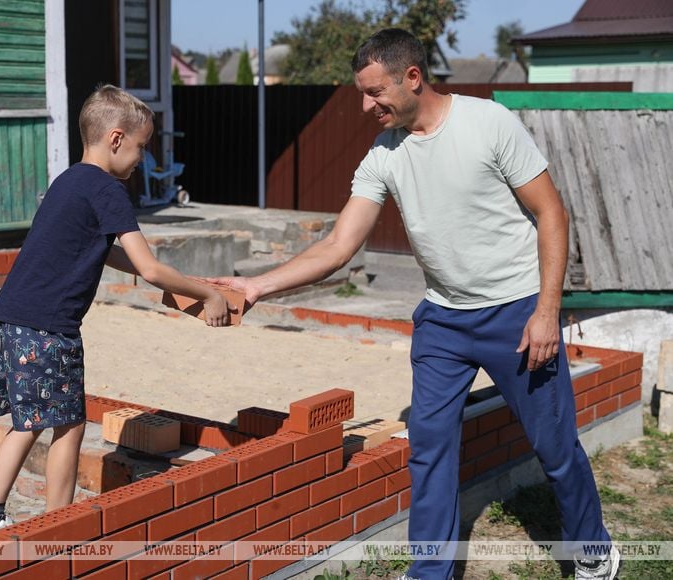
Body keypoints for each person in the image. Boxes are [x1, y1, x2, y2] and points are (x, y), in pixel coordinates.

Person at [211, 29, 618, 580]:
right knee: (429, 450)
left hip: (517, 313)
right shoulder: (384, 155)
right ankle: (430, 572)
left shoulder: (488, 123)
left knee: (555, 448)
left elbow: (552, 213)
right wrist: (258, 286)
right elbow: (338, 246)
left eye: (374, 92)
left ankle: (593, 551)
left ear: (412, 77)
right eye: (362, 93)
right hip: (443, 321)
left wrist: (547, 312)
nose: (365, 106)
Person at [0, 84, 232, 541]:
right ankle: (59, 530)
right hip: (49, 329)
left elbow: (104, 251)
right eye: (141, 147)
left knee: (29, 422)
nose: (143, 158)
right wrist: (208, 293)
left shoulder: (69, 180)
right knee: (67, 425)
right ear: (116, 139)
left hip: (11, 317)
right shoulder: (108, 190)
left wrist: (181, 285)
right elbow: (150, 268)